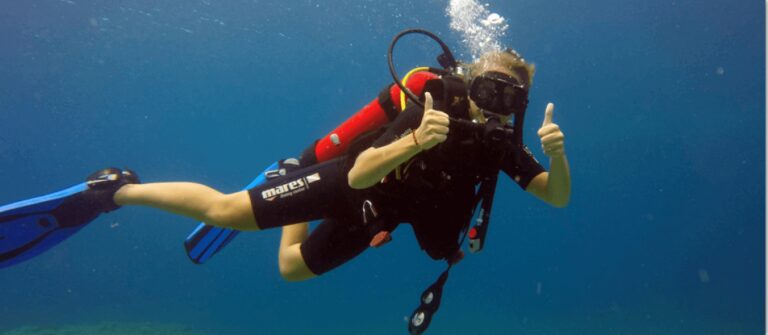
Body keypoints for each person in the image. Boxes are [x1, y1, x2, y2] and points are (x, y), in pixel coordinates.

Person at [0, 50, 570, 281]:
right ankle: (115, 192)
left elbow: (557, 197)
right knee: (226, 211)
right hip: (352, 181)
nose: (496, 105)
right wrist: (415, 141)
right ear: (472, 82)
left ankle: (280, 173)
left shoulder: (500, 145)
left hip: (383, 212)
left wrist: (557, 157)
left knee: (291, 270)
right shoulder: (431, 104)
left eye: (510, 98)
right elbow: (361, 172)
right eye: (491, 88)